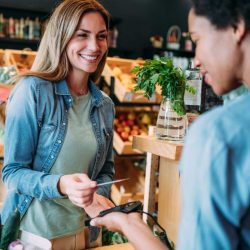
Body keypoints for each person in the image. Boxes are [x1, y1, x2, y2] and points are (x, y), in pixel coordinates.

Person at [91, 0, 250, 249]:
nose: (195, 60)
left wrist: (129, 225)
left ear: (236, 27)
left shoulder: (217, 134)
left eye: (197, 40)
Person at [1, 0, 115, 249]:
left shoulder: (104, 105)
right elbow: (12, 173)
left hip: (86, 234)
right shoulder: (32, 91)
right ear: (62, 37)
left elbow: (106, 171)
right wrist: (61, 184)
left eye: (101, 36)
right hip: (35, 236)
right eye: (82, 35)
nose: (94, 46)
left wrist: (97, 197)